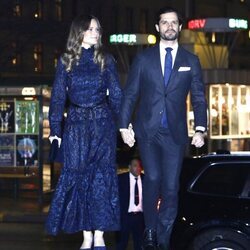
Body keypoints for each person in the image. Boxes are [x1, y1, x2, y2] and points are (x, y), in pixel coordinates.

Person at [119, 6, 207, 250]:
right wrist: (124, 126)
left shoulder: (191, 61)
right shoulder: (143, 59)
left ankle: (163, 238)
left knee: (170, 187)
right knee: (153, 177)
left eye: (174, 22)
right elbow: (130, 94)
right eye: (164, 22)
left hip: (175, 135)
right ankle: (149, 230)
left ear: (180, 27)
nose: (169, 26)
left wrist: (200, 128)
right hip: (148, 131)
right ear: (157, 27)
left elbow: (199, 97)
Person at [45, 14, 122, 250]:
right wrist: (55, 130)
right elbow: (58, 97)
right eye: (90, 29)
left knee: (100, 178)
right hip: (76, 126)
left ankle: (99, 233)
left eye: (97, 29)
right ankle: (86, 234)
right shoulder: (66, 61)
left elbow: (117, 94)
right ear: (78, 32)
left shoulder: (106, 59)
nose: (95, 33)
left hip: (102, 125)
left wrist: (124, 124)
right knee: (79, 178)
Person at [116, 158, 145, 250]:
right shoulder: (121, 179)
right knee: (121, 243)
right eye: (135, 165)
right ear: (129, 167)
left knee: (140, 244)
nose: (138, 168)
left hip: (140, 217)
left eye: (139, 166)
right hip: (125, 217)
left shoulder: (145, 179)